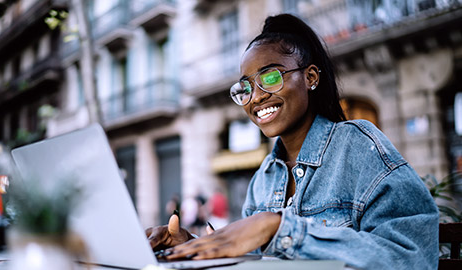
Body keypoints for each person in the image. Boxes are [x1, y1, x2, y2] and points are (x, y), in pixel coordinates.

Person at [145, 14, 439, 269]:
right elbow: (255, 262)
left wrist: (278, 228)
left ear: (310, 77)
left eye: (270, 77)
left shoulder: (358, 147)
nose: (256, 96)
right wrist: (192, 248)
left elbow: (413, 257)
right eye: (245, 87)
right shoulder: (264, 177)